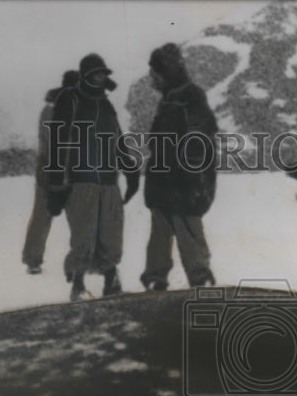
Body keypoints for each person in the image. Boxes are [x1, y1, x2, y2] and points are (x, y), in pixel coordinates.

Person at [47, 53, 138, 301]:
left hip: (108, 182)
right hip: (81, 181)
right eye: (96, 73)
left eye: (103, 74)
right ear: (86, 75)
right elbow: (58, 142)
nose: (101, 78)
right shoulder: (70, 99)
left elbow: (118, 141)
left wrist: (132, 173)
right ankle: (77, 283)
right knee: (83, 236)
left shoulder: (106, 104)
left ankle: (111, 281)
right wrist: (55, 184)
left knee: (111, 236)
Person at [140, 43, 218, 291]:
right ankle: (155, 277)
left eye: (156, 74)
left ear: (167, 73)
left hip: (185, 179)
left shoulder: (190, 98)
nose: (152, 79)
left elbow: (200, 136)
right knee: (161, 228)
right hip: (163, 179)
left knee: (187, 225)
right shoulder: (170, 100)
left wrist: (190, 171)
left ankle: (199, 277)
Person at [21, 70, 79, 275]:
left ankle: (33, 258)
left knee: (43, 216)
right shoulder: (59, 110)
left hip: (53, 168)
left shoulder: (52, 108)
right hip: (55, 168)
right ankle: (35, 258)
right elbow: (53, 143)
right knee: (71, 216)